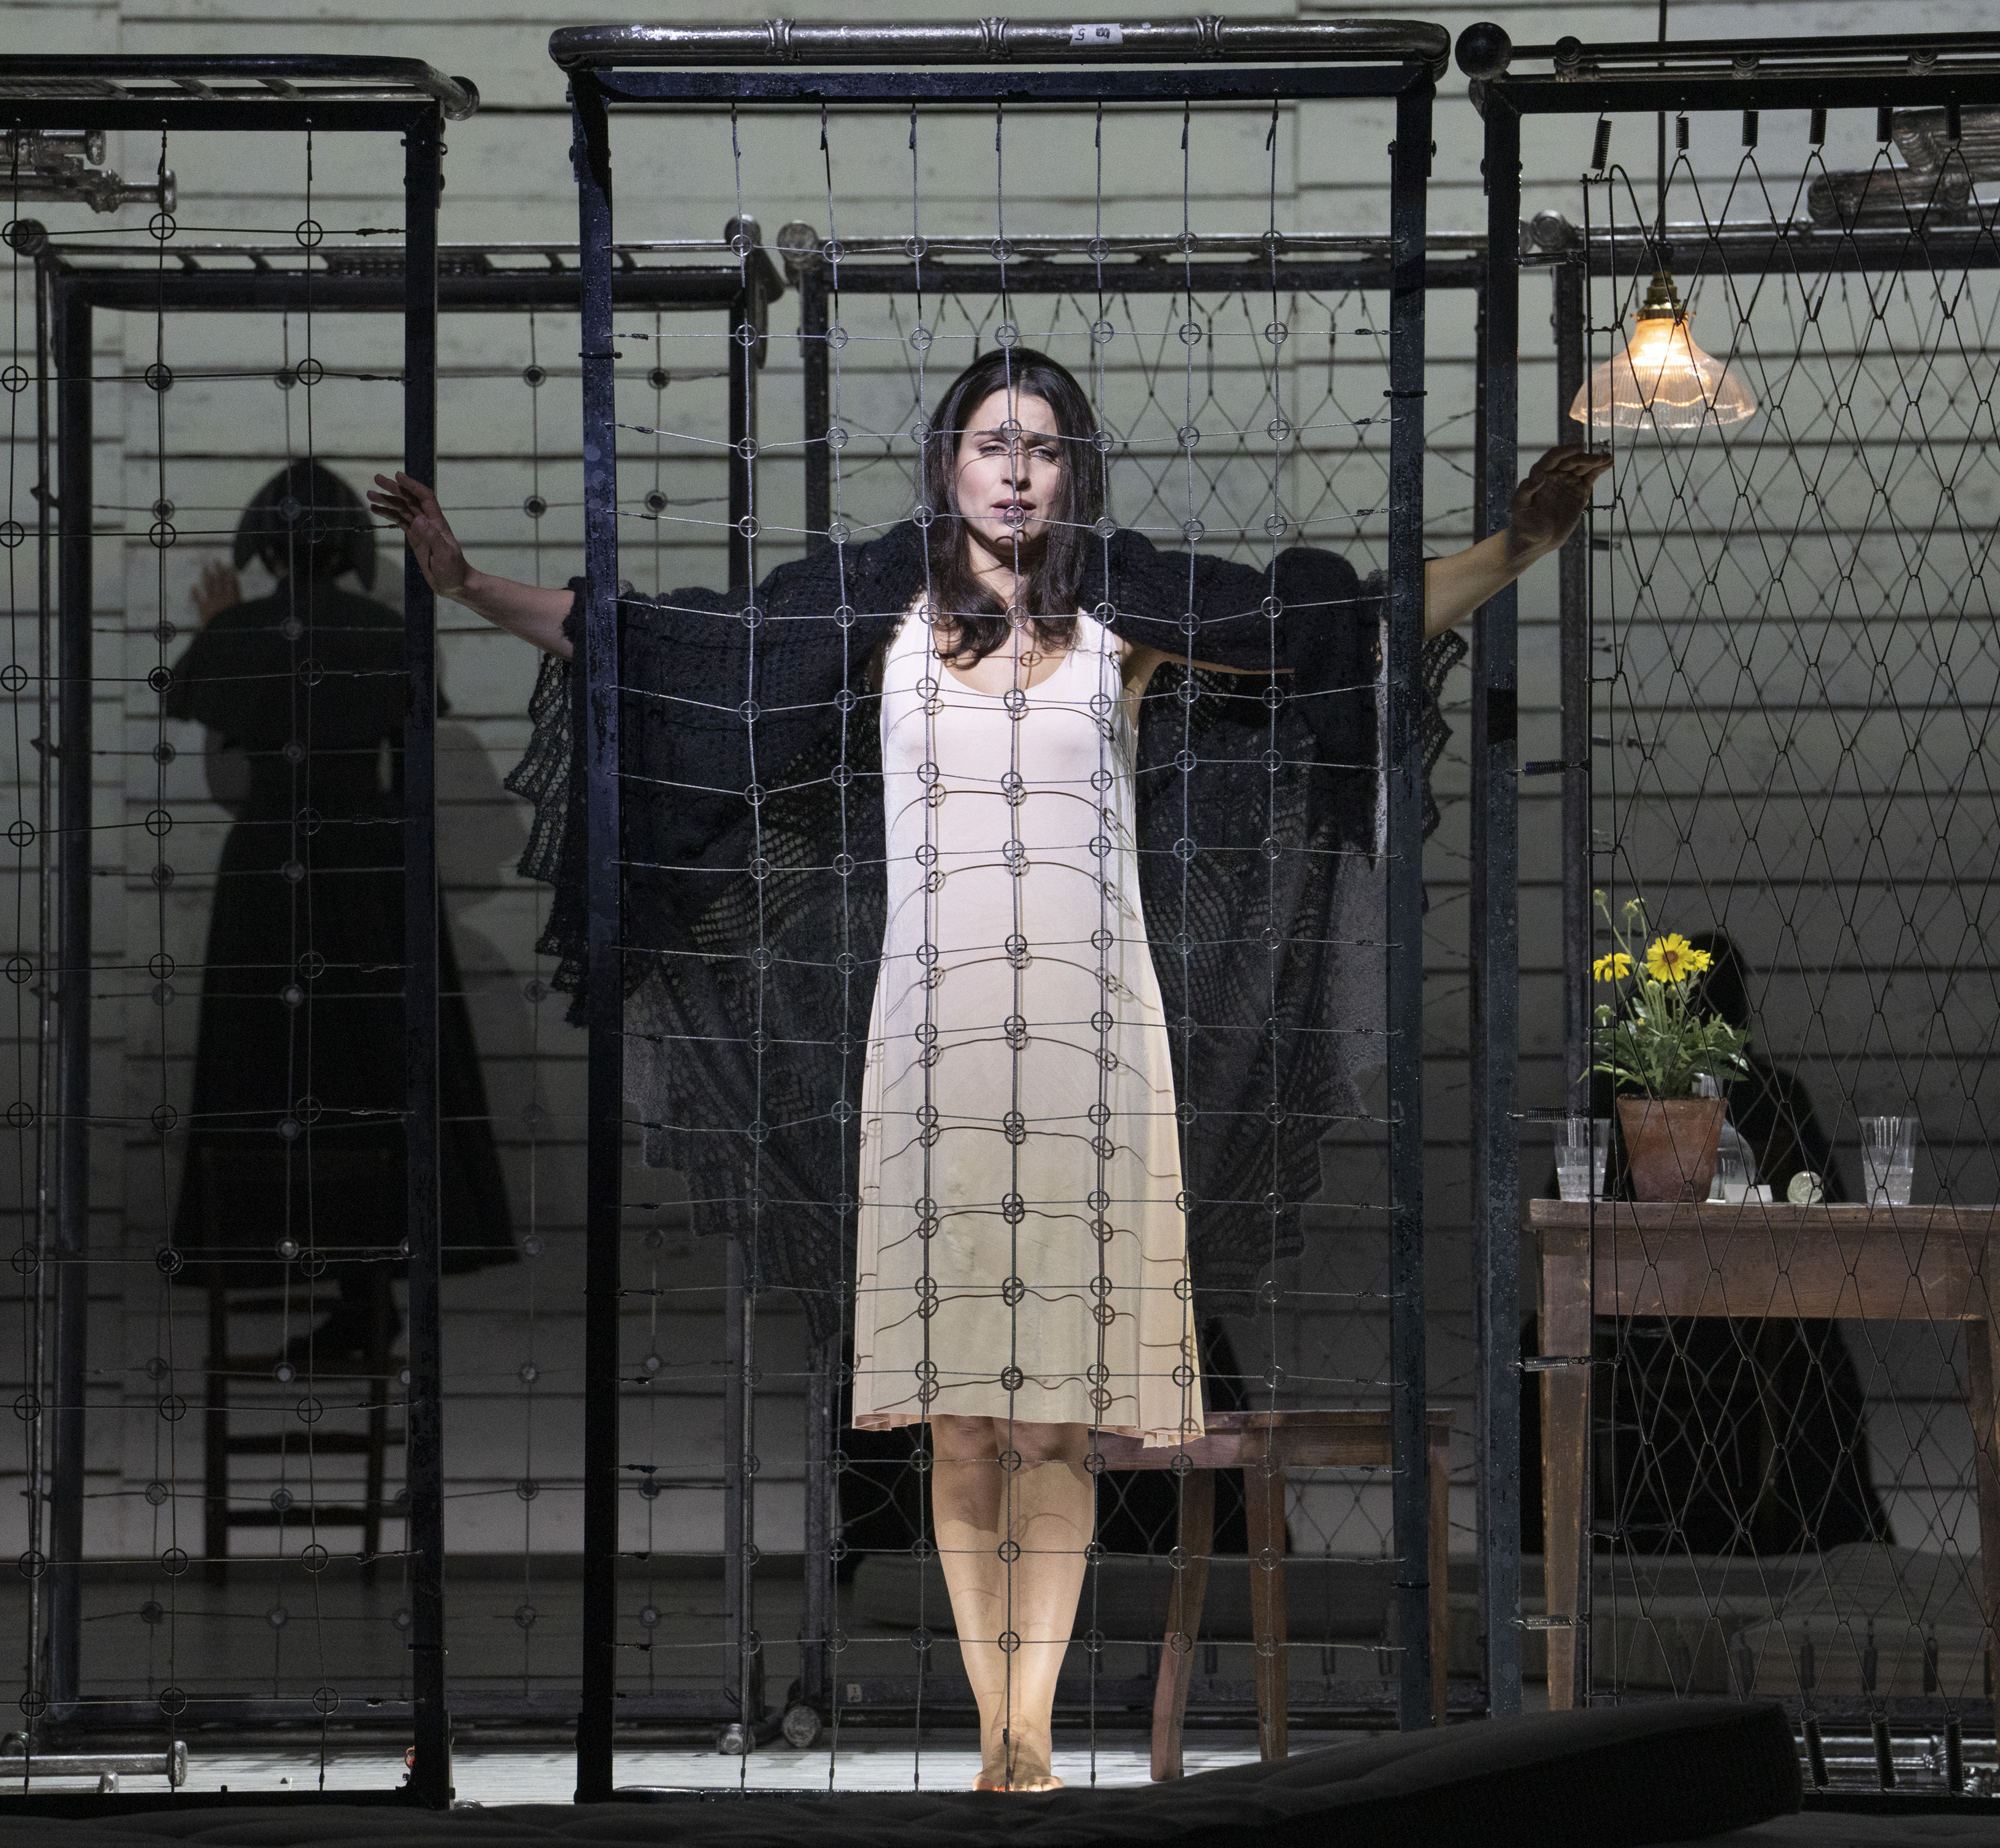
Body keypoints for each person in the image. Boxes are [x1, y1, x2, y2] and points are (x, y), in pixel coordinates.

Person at [373, 349, 1606, 1790]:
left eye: (1042, 446)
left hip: (1092, 1056)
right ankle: (998, 1728)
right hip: (934, 1056)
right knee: (961, 1420)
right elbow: (659, 648)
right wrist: (465, 584)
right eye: (989, 444)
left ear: (1073, 470)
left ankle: (1028, 1733)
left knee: (1057, 1414)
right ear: (948, 466)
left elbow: (1348, 628)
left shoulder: (1126, 626)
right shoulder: (877, 615)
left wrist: (1520, 544)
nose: (1016, 469)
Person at [164, 462, 513, 1359]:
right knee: (372, 1066)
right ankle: (362, 1292)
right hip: (370, 860)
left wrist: (229, 637)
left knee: (269, 1063)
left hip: (271, 864)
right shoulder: (385, 632)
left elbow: (226, 770)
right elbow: (409, 761)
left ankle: (327, 1282)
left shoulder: (239, 632)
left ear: (262, 549)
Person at [1526, 935, 1890, 1556]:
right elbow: (1823, 1205)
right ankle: (1816, 1536)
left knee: (1540, 1348)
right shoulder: (1627, 1096)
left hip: (1681, 1322)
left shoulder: (1755, 1095)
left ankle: (1549, 1534)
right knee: (1811, 1352)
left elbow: (1820, 1203)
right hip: (1693, 1319)